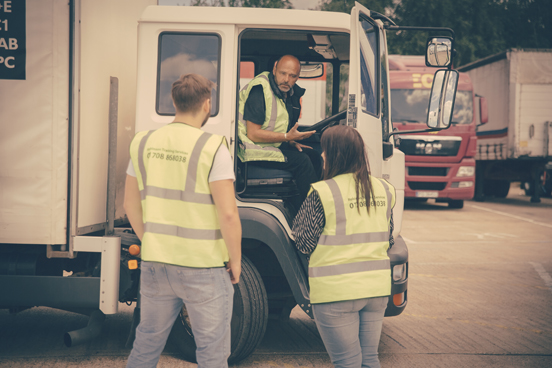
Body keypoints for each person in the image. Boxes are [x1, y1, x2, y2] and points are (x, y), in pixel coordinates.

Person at [124, 73, 241, 368]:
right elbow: (228, 213)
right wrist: (235, 260)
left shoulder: (143, 142)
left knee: (147, 342)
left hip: (156, 262)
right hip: (203, 266)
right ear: (207, 104)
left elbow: (129, 203)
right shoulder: (214, 147)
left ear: (173, 102)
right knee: (212, 352)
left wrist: (150, 240)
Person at [292, 125, 396, 368]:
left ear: (336, 155)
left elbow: (304, 242)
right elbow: (389, 238)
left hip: (336, 292)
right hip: (376, 290)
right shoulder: (384, 189)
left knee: (346, 362)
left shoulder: (323, 191)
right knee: (369, 360)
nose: (322, 156)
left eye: (325, 151)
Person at [237, 54, 322, 209]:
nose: (286, 79)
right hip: (252, 150)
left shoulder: (286, 93)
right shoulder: (260, 90)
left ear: (298, 77)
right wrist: (285, 137)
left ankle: (300, 207)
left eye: (292, 76)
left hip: (269, 146)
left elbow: (274, 126)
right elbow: (253, 134)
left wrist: (290, 141)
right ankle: (312, 213)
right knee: (302, 162)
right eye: (283, 73)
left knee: (314, 156)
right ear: (274, 69)